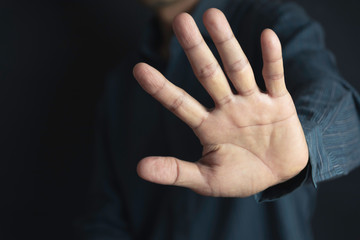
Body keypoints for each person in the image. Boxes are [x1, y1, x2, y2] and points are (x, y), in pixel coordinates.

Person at [81, 0, 360, 239]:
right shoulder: (122, 84)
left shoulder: (271, 22)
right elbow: (106, 217)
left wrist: (306, 142)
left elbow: (342, 111)